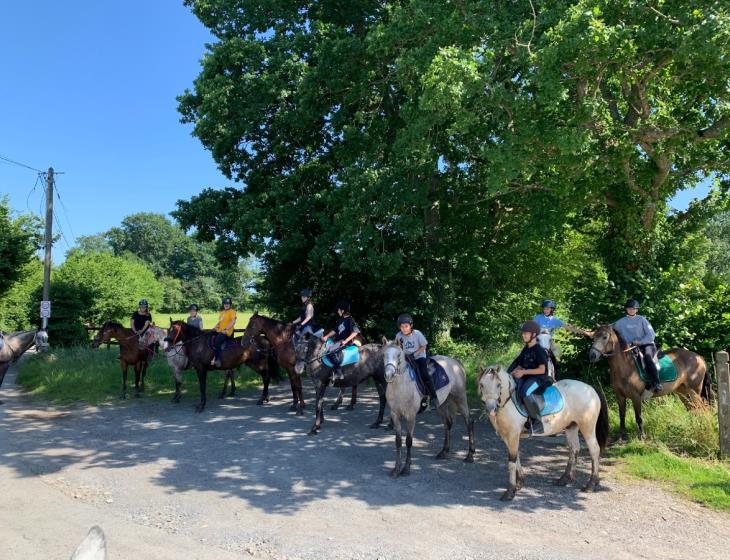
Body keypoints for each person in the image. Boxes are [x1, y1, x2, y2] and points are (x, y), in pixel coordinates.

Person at [507, 320, 552, 435]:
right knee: (514, 388)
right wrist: (513, 372)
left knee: (525, 391)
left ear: (534, 334)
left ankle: (537, 422)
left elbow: (542, 370)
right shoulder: (525, 349)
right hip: (528, 376)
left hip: (539, 378)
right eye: (523, 333)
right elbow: (520, 364)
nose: (523, 335)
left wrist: (524, 372)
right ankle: (524, 418)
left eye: (526, 333)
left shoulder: (539, 350)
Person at [613, 298, 662, 393]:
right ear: (626, 309)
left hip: (647, 344)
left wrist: (641, 342)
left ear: (637, 310)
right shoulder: (621, 322)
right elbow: (609, 328)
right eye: (629, 308)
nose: (631, 310)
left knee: (647, 358)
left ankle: (657, 382)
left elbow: (651, 334)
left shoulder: (642, 319)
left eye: (634, 308)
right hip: (632, 347)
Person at [533, 299, 587, 377]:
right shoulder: (537, 317)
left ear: (552, 309)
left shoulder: (555, 320)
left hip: (548, 341)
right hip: (537, 340)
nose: (545, 310)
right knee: (525, 351)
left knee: (556, 356)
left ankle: (555, 374)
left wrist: (584, 332)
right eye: (544, 308)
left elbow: (568, 327)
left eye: (547, 309)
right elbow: (531, 328)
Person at [396, 313, 439, 410]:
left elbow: (424, 346)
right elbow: (397, 347)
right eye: (402, 327)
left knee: (424, 374)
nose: (404, 329)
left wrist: (414, 355)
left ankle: (433, 397)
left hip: (419, 356)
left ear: (411, 326)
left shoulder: (417, 334)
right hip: (406, 358)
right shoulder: (398, 336)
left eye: (406, 326)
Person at [321, 300, 361, 380]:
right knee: (325, 351)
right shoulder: (340, 320)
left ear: (343, 310)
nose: (337, 311)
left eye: (339, 309)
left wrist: (346, 341)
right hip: (338, 342)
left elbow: (355, 332)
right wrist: (326, 336)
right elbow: (335, 330)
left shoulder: (350, 320)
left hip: (346, 343)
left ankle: (339, 373)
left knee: (331, 352)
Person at [211, 297, 237, 367]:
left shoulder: (232, 312)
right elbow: (220, 322)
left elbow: (233, 321)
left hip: (227, 332)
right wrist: (214, 327)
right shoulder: (222, 312)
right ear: (223, 304)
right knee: (209, 336)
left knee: (217, 341)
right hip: (220, 330)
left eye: (228, 304)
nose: (226, 305)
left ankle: (218, 359)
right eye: (225, 303)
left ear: (230, 304)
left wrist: (226, 329)